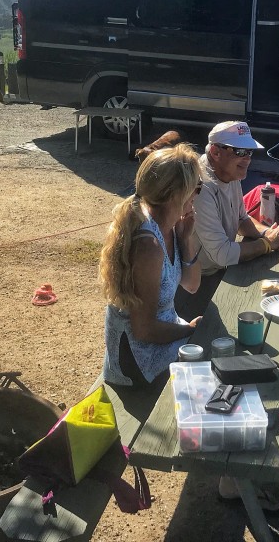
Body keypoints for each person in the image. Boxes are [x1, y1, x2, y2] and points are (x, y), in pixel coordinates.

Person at [101, 143, 204, 387]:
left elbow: (192, 285)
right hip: (139, 361)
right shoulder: (149, 246)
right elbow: (143, 330)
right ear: (175, 194)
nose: (198, 195)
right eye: (196, 188)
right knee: (216, 359)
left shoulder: (169, 227)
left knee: (221, 352)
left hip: (165, 335)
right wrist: (189, 330)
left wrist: (185, 239)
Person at [175, 120, 279, 321]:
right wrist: (268, 244)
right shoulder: (200, 187)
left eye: (250, 152)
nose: (248, 159)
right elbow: (223, 254)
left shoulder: (229, 173)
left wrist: (268, 233)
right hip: (192, 285)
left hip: (215, 271)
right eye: (240, 152)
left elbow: (241, 219)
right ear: (215, 152)